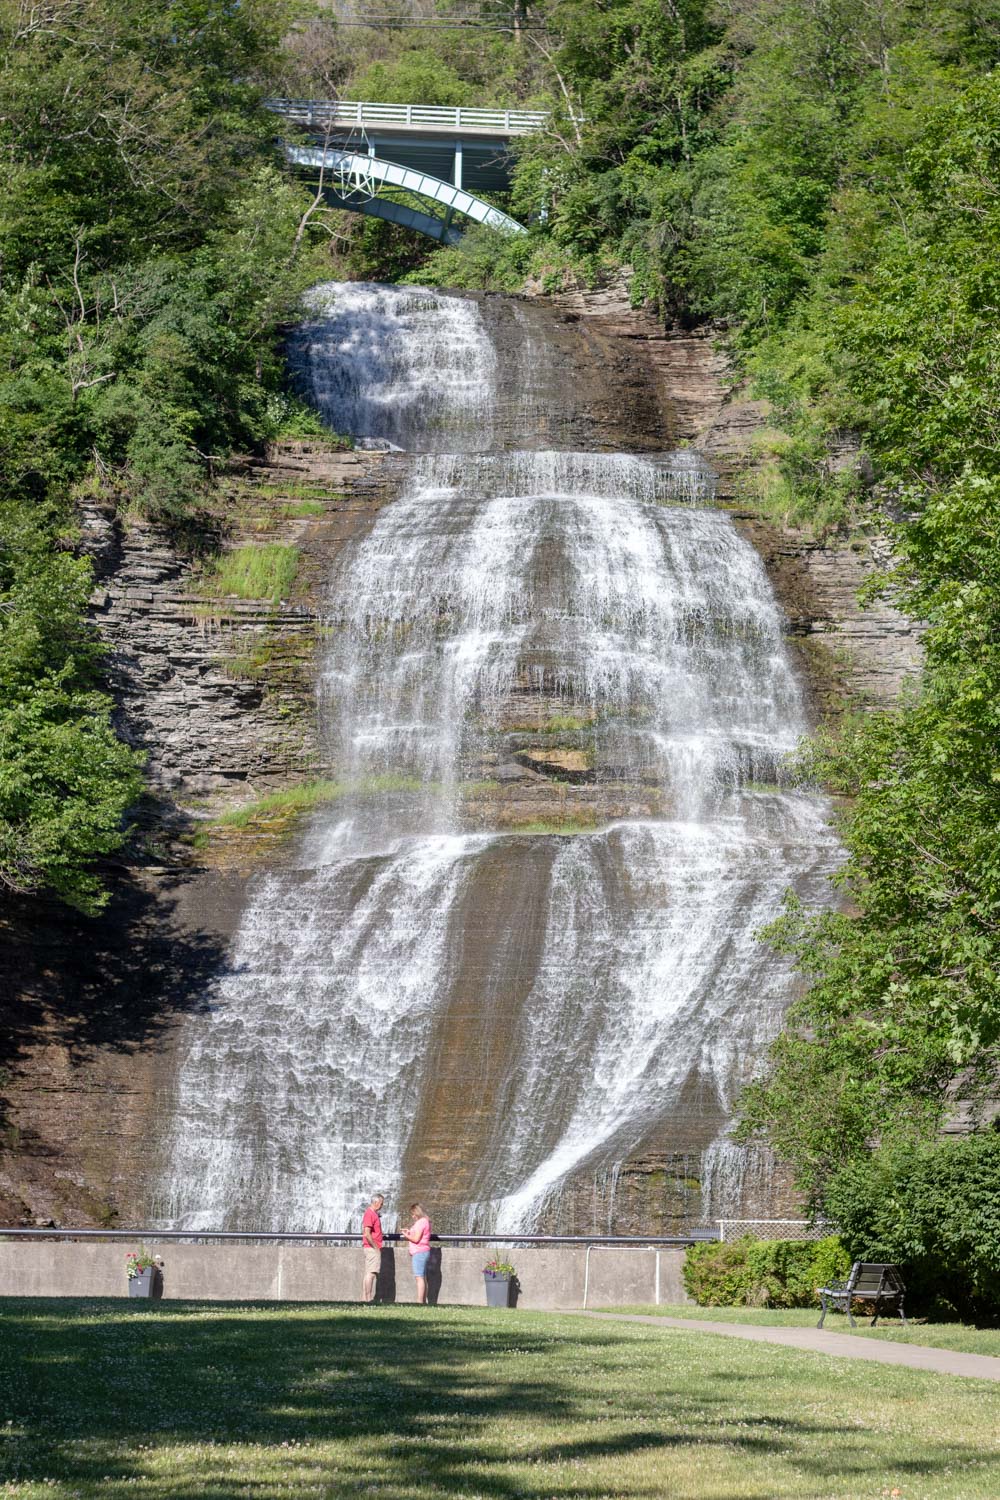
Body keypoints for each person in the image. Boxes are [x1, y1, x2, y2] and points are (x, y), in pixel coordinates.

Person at [400, 1201, 431, 1304]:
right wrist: (409, 1232)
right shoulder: (425, 1221)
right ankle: (423, 1301)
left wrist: (406, 1235)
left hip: (419, 1252)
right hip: (424, 1251)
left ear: (417, 1213)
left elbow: (416, 1239)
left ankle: (419, 1302)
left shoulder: (420, 1222)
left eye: (413, 1214)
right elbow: (419, 1235)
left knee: (419, 1277)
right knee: (423, 1277)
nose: (412, 1216)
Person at [361, 1193, 384, 1303]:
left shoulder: (373, 1214)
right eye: (381, 1203)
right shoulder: (369, 1214)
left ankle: (365, 1298)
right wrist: (375, 1247)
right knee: (371, 1273)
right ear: (376, 1202)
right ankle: (368, 1298)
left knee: (368, 1273)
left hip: (371, 1247)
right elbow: (367, 1233)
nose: (382, 1205)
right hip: (372, 1248)